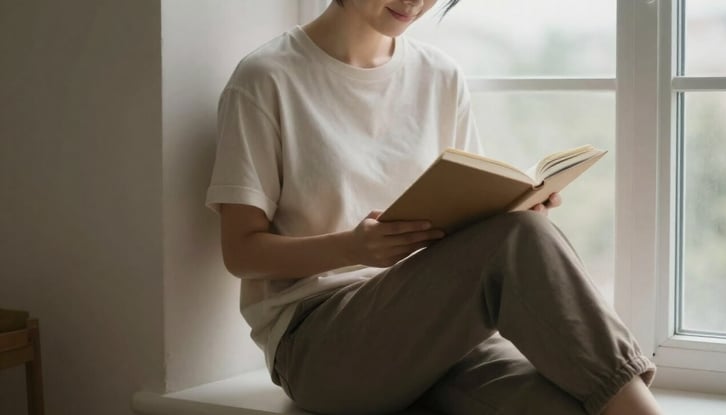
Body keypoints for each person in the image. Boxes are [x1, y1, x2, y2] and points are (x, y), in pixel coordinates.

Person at [205, 1, 662, 414]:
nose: (415, 2)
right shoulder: (266, 78)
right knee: (521, 241)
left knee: (572, 404)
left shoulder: (440, 76)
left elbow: (472, 227)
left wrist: (518, 210)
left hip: (440, 329)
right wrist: (352, 248)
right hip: (319, 343)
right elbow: (241, 252)